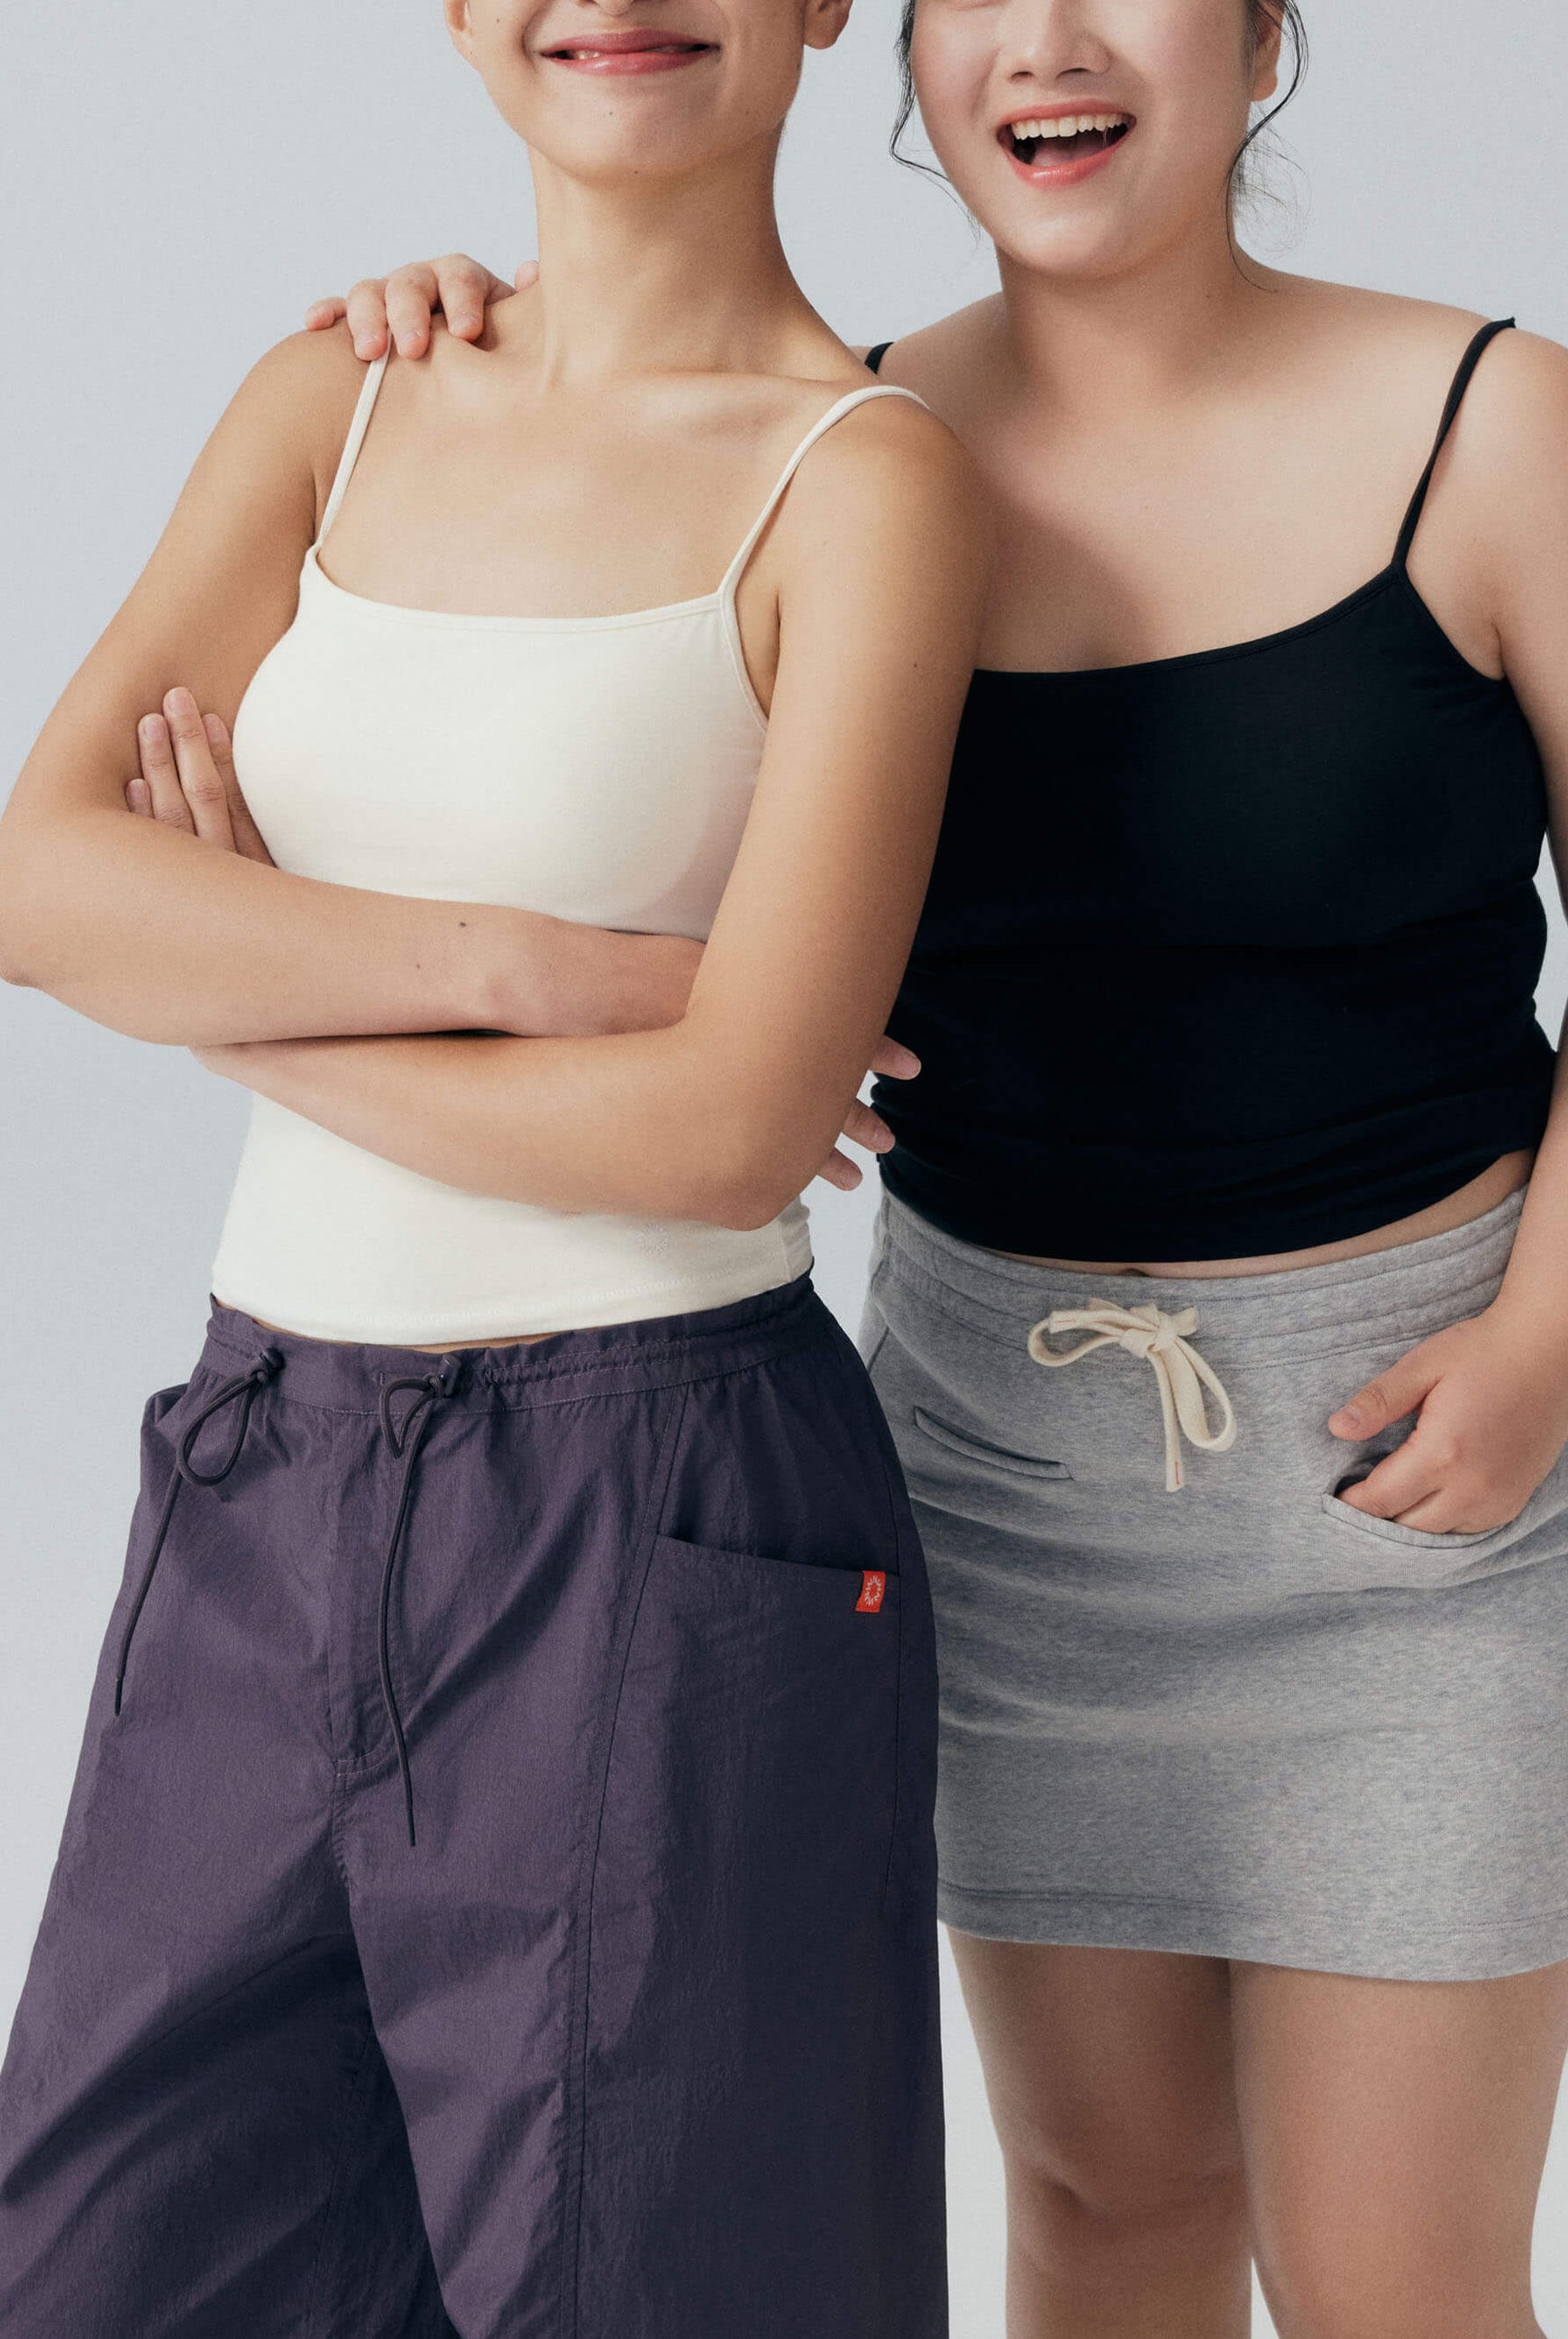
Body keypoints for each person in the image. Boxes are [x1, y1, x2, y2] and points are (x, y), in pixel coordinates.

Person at [223, 2, 1568, 2334]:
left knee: (1394, 2277)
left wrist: (1544, 1335)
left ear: (1256, 38)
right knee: (1100, 2206)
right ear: (910, 62)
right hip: (986, 1461)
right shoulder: (829, 443)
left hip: (1429, 1474)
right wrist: (441, 328)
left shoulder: (1497, 427)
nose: (1046, 38)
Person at [0, 2, 990, 2332]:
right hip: (266, 1458)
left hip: (656, 1491)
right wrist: (535, 967)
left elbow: (736, 1125)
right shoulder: (328, 394)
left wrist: (234, 981)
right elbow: (40, 886)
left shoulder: (863, 477)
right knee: (104, 2269)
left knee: (654, 2288)